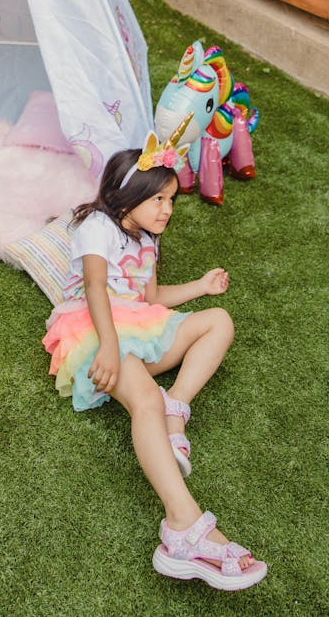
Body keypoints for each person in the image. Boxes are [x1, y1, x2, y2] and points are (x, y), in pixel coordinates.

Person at [42, 129, 267, 591]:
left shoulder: (148, 240)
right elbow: (95, 288)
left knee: (218, 320)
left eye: (171, 200)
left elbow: (152, 297)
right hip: (91, 331)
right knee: (142, 399)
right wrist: (108, 345)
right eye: (159, 199)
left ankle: (176, 406)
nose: (167, 209)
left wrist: (200, 288)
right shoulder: (97, 228)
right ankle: (182, 527)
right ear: (127, 197)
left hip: (139, 327)